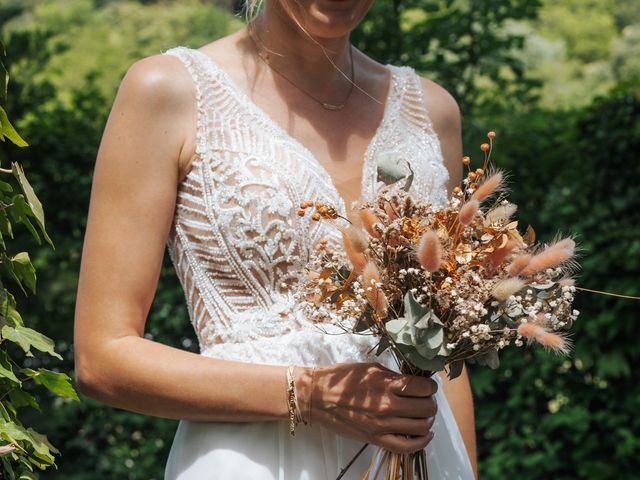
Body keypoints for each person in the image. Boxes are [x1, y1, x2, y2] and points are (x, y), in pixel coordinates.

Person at [74, 0, 477, 478]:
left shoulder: (432, 112)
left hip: (421, 459)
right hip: (253, 460)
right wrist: (309, 393)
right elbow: (103, 358)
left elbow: (445, 348)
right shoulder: (168, 90)